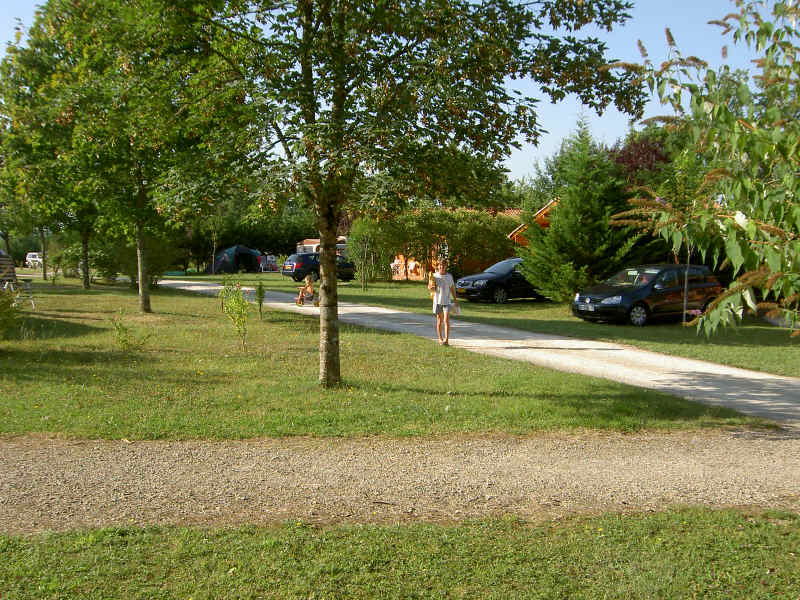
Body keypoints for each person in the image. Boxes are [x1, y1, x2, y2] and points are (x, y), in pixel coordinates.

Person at [427, 260, 459, 345]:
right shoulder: (434, 276)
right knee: (439, 321)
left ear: (446, 266)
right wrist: (431, 287)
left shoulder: (449, 277)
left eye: (443, 265)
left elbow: (452, 288)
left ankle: (446, 340)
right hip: (437, 301)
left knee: (446, 320)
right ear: (438, 266)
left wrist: (455, 300)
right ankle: (440, 339)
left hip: (447, 301)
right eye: (440, 265)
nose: (441, 267)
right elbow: (430, 287)